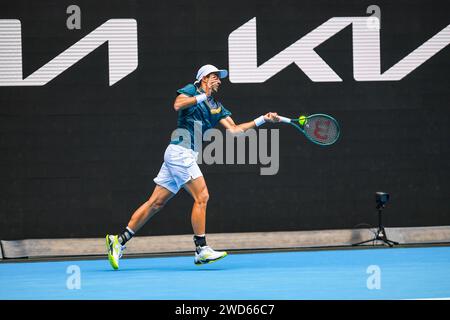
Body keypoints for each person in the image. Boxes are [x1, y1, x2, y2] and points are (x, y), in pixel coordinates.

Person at [106, 64, 279, 269]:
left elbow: (234, 129)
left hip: (181, 155)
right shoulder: (191, 90)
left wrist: (262, 120)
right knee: (202, 196)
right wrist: (202, 96)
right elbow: (178, 105)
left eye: (219, 78)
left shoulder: (217, 106)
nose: (219, 80)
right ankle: (201, 249)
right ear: (203, 79)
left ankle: (118, 240)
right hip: (180, 152)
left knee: (156, 203)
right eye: (214, 76)